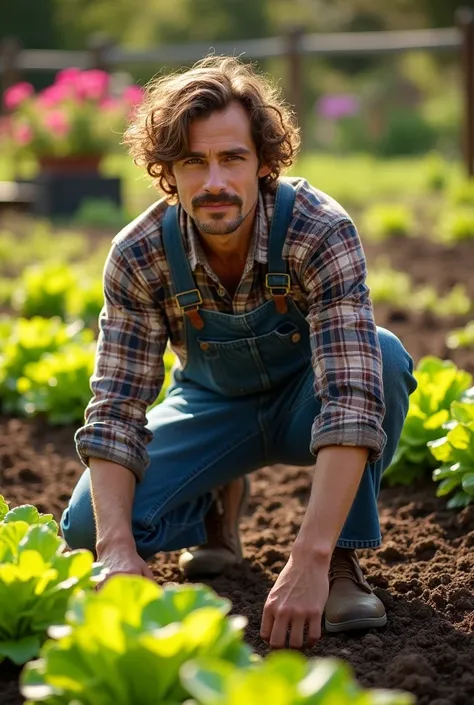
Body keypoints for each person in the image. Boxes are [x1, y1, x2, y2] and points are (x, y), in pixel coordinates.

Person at [61, 55, 417, 650]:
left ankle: (340, 566)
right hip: (211, 405)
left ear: (264, 164)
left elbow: (352, 398)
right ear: (167, 171)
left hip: (309, 400)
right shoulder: (139, 254)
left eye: (232, 158)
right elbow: (117, 407)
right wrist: (116, 552)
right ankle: (213, 510)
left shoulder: (318, 229)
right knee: (86, 525)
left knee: (382, 358)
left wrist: (307, 557)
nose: (215, 182)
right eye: (193, 162)